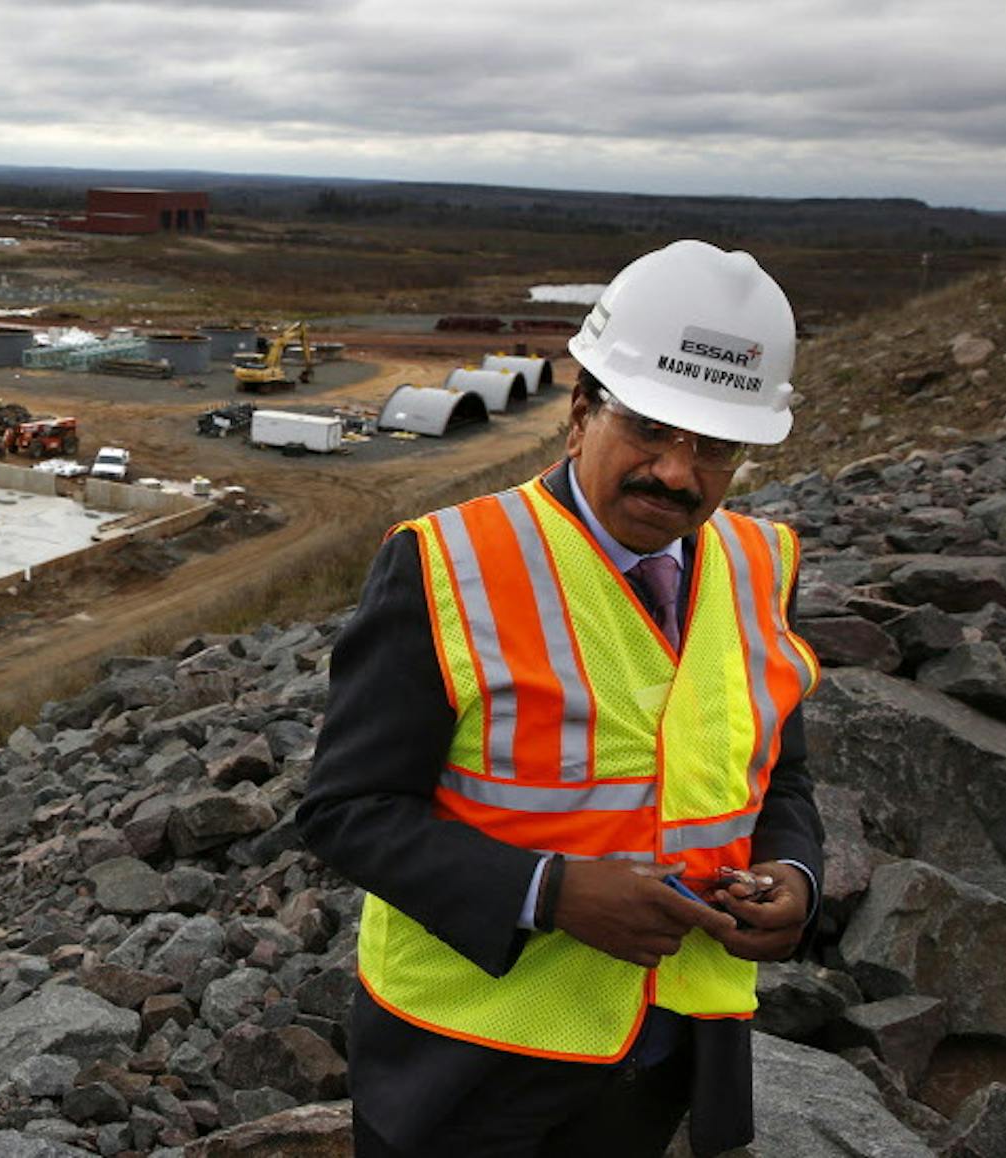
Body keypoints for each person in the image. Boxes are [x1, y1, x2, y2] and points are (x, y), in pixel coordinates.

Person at [300, 240, 825, 1158]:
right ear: (580, 412)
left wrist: (796, 881)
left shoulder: (759, 567)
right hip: (468, 1070)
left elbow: (778, 780)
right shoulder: (444, 565)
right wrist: (549, 893)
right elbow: (347, 811)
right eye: (650, 430)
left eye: (711, 448)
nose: (675, 471)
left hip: (666, 1053)